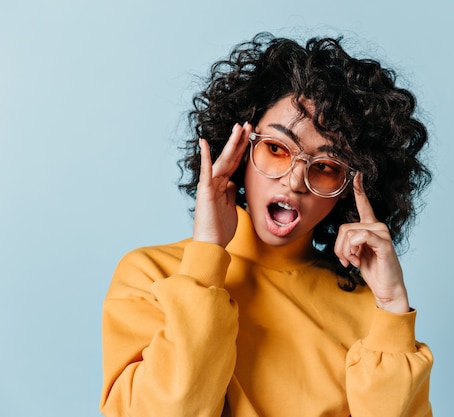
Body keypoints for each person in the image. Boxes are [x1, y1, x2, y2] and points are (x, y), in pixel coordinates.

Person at [100, 32, 434, 417]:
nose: (294, 181)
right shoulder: (153, 275)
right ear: (240, 149)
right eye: (276, 149)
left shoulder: (369, 313)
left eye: (325, 168)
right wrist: (206, 257)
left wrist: (392, 309)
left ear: (348, 190)